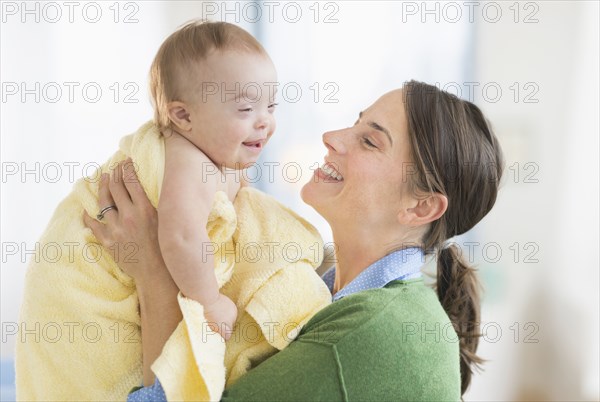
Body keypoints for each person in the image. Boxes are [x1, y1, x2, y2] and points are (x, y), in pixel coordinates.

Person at [87, 80, 504, 401]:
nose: (333, 137)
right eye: (355, 122)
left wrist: (153, 271)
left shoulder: (368, 332)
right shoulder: (326, 289)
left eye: (370, 140)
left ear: (420, 208)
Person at [17, 20, 332, 401]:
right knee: (92, 370)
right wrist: (209, 301)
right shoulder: (187, 161)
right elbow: (181, 236)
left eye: (271, 105)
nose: (264, 121)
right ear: (183, 117)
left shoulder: (204, 157)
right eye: (246, 108)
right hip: (78, 280)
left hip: (57, 274)